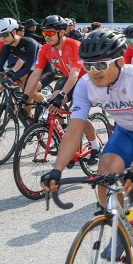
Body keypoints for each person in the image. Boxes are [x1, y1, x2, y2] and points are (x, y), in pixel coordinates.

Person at [40, 29, 133, 264]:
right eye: (89, 66)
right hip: (126, 132)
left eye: (100, 65)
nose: (93, 72)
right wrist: (57, 168)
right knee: (104, 177)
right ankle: (123, 227)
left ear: (119, 62)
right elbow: (75, 129)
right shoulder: (84, 85)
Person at [21, 15, 99, 164]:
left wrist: (62, 94)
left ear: (62, 32)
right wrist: (25, 95)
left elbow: (75, 74)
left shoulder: (75, 45)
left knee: (79, 114)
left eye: (50, 33)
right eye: (44, 33)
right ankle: (66, 137)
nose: (47, 36)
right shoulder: (45, 49)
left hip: (85, 80)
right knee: (52, 104)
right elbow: (36, 73)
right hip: (67, 78)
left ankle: (95, 147)